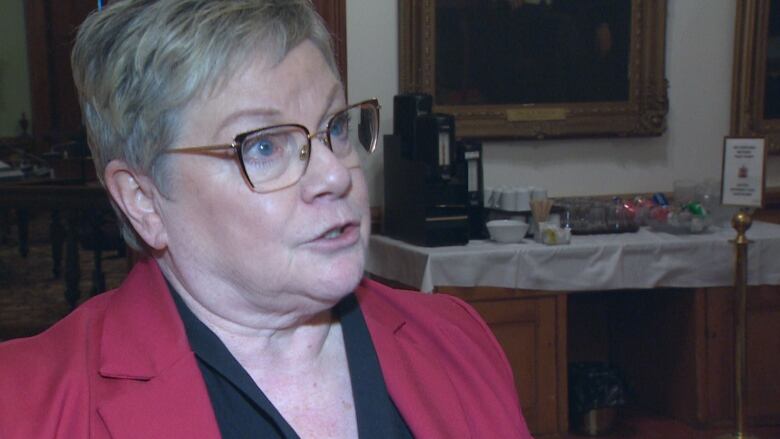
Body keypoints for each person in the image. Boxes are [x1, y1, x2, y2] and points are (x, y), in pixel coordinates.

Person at [0, 1, 532, 437]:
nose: (334, 174)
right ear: (143, 199)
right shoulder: (25, 406)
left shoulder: (459, 342)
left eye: (335, 127)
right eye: (262, 147)